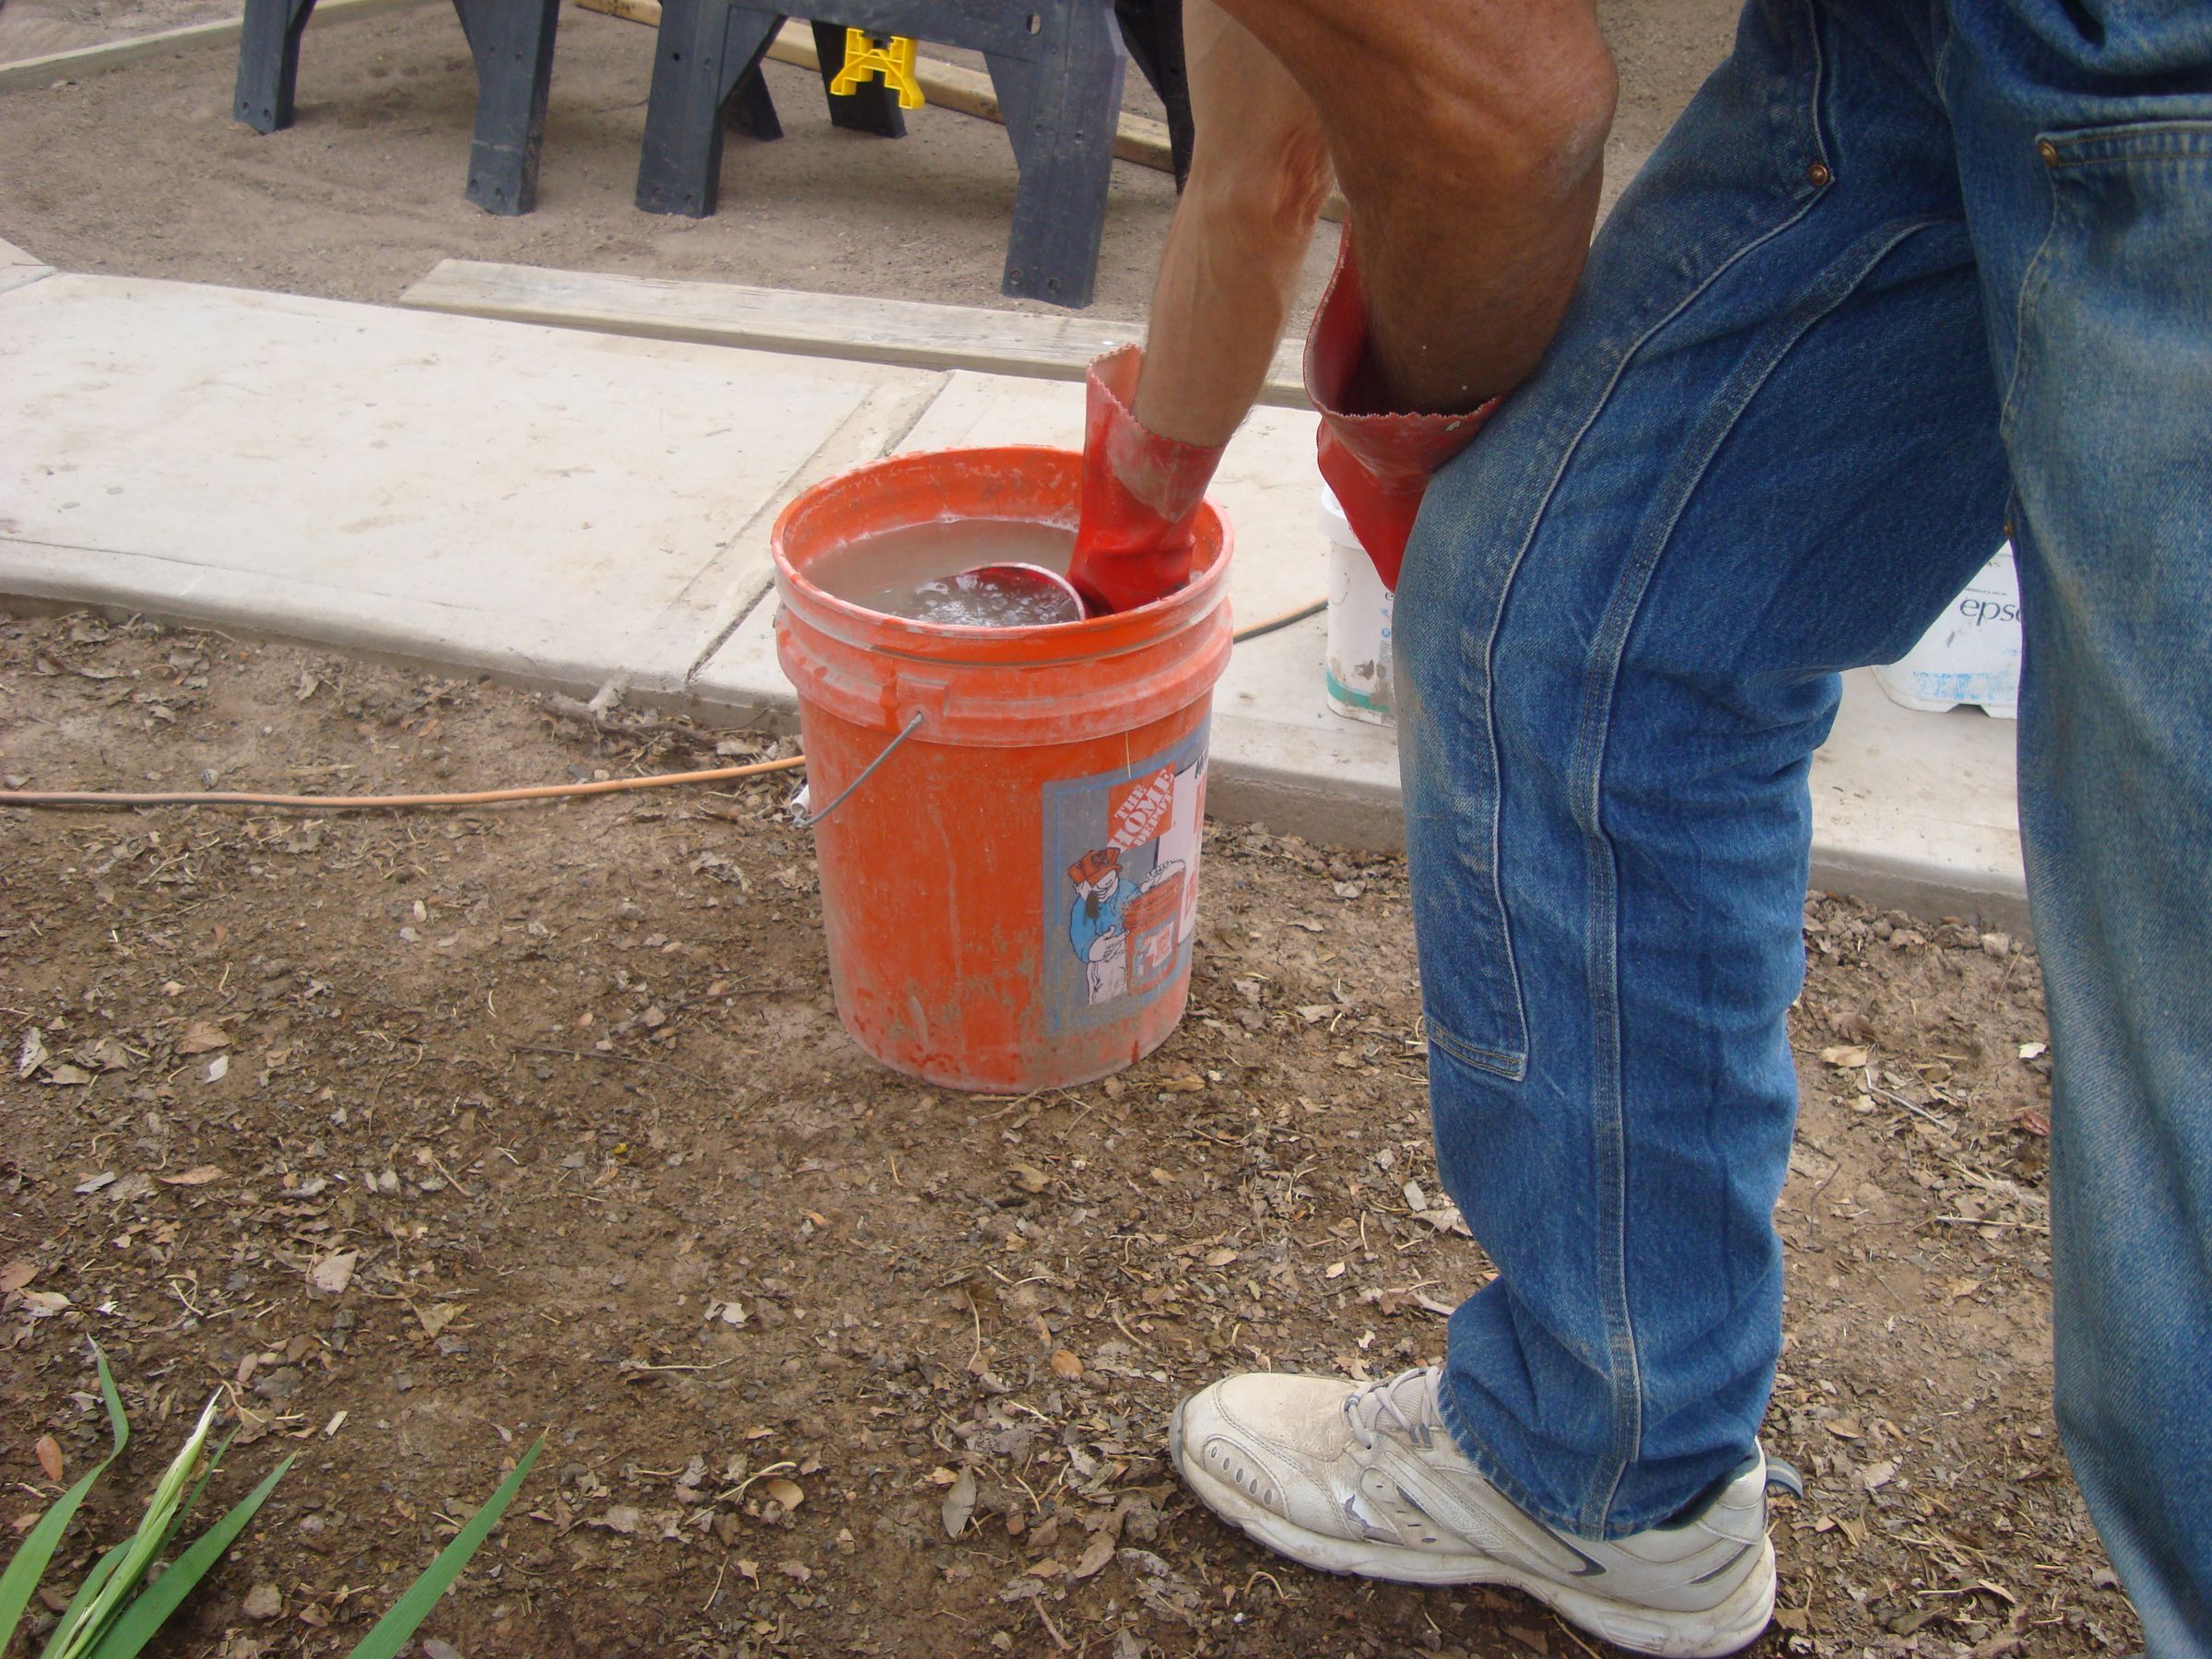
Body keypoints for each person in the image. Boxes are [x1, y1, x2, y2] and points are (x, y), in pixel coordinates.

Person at [1064, 2, 2212, 1654]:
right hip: (1904, 41)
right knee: (1572, 615)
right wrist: (1137, 518)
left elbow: (1501, 111)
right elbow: (1255, 161)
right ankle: (1606, 1468)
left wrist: (1402, 431)